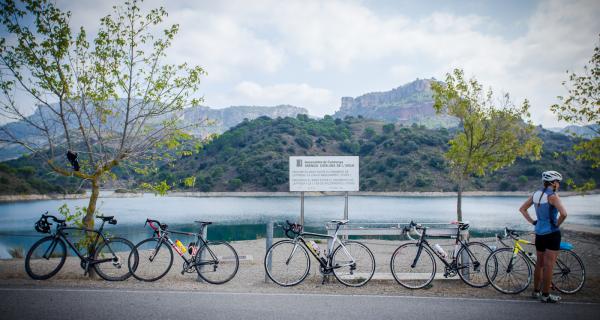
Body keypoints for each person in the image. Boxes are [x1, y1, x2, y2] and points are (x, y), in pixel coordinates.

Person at [519, 170, 568, 303]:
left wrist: (533, 222)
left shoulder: (536, 194)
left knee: (539, 264)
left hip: (539, 233)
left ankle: (536, 291)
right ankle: (546, 295)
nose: (559, 184)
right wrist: (556, 225)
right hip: (552, 234)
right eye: (558, 182)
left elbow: (522, 209)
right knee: (549, 265)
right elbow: (564, 214)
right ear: (553, 182)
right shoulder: (553, 196)